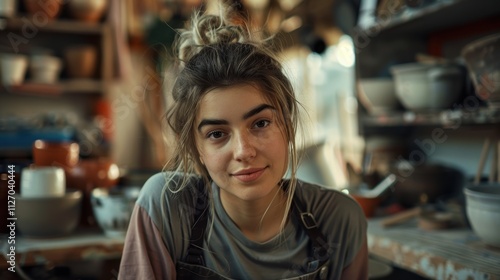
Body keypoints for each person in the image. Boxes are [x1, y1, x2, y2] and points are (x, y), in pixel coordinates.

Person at [119, 3, 368, 279]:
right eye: (217, 134)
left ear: (286, 125)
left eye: (260, 124)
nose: (244, 151)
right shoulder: (167, 208)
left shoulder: (339, 220)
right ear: (197, 148)